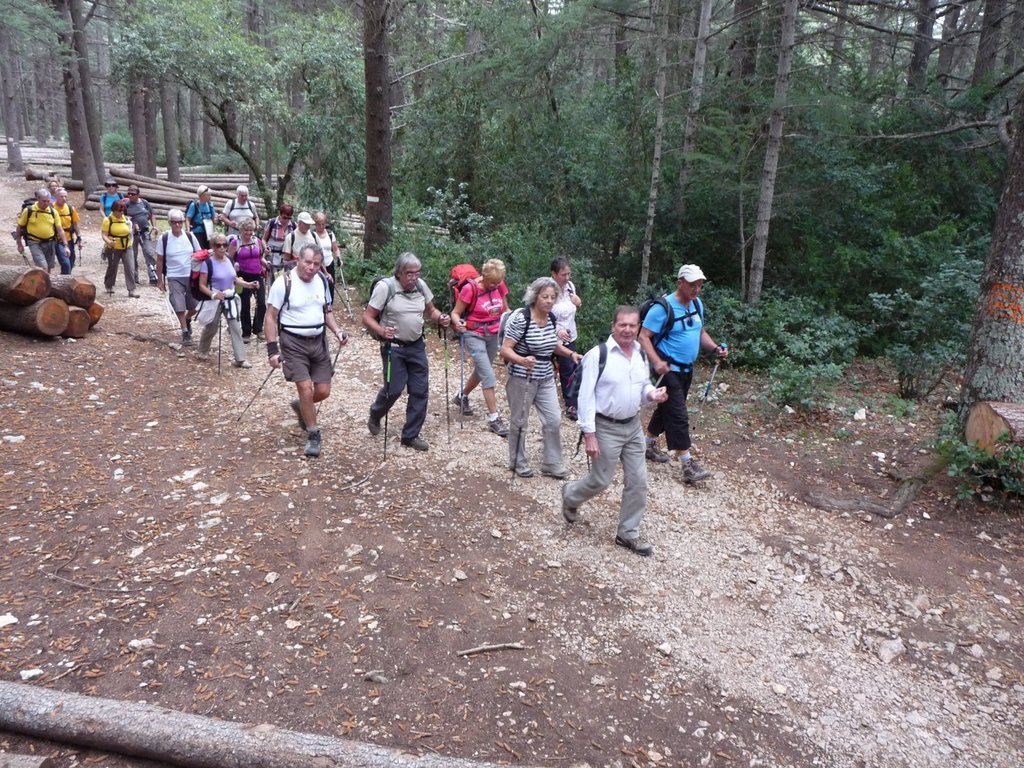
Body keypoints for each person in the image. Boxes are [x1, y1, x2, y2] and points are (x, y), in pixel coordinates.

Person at [561, 306, 668, 557]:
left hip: (632, 426)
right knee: (600, 480)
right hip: (605, 426)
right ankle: (570, 495)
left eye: (633, 325)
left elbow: (642, 386)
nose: (628, 330)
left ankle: (627, 533)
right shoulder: (598, 355)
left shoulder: (640, 353)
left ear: (638, 327)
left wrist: (652, 394)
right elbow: (585, 397)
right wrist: (589, 434)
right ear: (613, 326)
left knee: (638, 482)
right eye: (623, 325)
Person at [638, 264, 728, 483]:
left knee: (666, 408)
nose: (696, 289)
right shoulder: (663, 308)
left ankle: (647, 445)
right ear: (680, 283)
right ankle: (688, 465)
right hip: (667, 369)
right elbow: (643, 336)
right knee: (678, 414)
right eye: (692, 284)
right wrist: (657, 362)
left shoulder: (697, 304)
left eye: (699, 284)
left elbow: (700, 332)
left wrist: (715, 348)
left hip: (686, 369)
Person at [264, 244, 349, 458]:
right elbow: (270, 317)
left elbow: (327, 311)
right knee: (305, 388)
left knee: (323, 391)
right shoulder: (283, 283)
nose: (311, 268)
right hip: (293, 342)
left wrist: (338, 331)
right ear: (298, 260)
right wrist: (272, 350)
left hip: (318, 341)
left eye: (317, 264)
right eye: (308, 262)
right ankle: (313, 434)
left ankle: (302, 406)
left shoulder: (321, 281)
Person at [362, 252, 451, 452]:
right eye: (409, 273)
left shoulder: (421, 286)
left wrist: (441, 318)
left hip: (416, 345)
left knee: (420, 390)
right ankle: (376, 413)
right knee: (393, 389)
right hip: (393, 347)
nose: (413, 277)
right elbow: (367, 317)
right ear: (399, 273)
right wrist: (381, 331)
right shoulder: (386, 288)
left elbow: (431, 310)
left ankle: (410, 435)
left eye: (417, 273)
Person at [499, 276, 582, 478]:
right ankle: (517, 461)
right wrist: (521, 360)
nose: (549, 301)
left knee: (553, 419)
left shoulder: (551, 318)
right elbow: (505, 349)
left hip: (545, 377)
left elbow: (552, 344)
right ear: (535, 297)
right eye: (545, 297)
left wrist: (570, 354)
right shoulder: (521, 319)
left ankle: (551, 463)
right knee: (520, 420)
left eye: (553, 297)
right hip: (521, 377)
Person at [450, 258, 510, 436]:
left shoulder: (500, 286)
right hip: (473, 334)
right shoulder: (471, 289)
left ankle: (461, 396)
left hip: (493, 333)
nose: (496, 286)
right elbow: (455, 312)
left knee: (482, 370)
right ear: (484, 277)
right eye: (492, 282)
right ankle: (494, 418)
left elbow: (505, 309)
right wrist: (457, 323)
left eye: (498, 282)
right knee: (488, 376)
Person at [194, 234, 259, 368]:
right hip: (215, 300)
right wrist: (213, 295)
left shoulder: (229, 259)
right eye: (219, 245)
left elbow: (234, 279)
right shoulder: (207, 263)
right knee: (211, 327)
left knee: (235, 327)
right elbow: (202, 285)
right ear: (212, 246)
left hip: (230, 298)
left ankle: (240, 359)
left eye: (225, 245)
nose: (222, 248)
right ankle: (202, 350)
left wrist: (248, 284)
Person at [156, 209, 200, 346]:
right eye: (174, 222)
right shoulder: (163, 239)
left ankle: (187, 319)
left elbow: (199, 254)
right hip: (174, 276)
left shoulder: (190, 236)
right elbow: (159, 260)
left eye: (179, 222)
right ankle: (185, 331)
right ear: (169, 223)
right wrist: (159, 280)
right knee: (178, 305)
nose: (177, 225)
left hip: (191, 275)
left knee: (195, 307)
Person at [551, 256, 583, 420]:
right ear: (554, 274)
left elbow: (574, 307)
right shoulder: (547, 289)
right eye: (564, 275)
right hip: (549, 335)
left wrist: (578, 303)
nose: (567, 278)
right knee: (541, 366)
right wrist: (557, 330)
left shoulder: (570, 287)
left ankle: (571, 405)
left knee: (569, 369)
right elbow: (541, 314)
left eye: (569, 274)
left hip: (570, 335)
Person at [227, 217, 269, 343]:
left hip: (257, 275)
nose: (248, 233)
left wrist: (265, 263)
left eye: (250, 230)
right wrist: (234, 266)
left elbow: (259, 257)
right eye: (246, 230)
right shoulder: (235, 243)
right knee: (245, 304)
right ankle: (246, 332)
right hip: (242, 276)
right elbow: (229, 259)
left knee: (261, 303)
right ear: (241, 230)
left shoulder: (257, 241)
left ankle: (258, 328)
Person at [15, 188, 66, 274]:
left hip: (50, 242)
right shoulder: (29, 210)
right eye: (44, 201)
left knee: (49, 268)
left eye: (48, 201)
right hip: (34, 242)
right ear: (38, 199)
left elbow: (60, 229)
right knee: (43, 266)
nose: (46, 203)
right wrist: (19, 244)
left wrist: (65, 245)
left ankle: (45, 285)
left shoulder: (53, 212)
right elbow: (19, 228)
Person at [101, 199, 137, 297]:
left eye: (122, 210)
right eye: (119, 210)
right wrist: (109, 242)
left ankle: (131, 289)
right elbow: (104, 235)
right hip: (113, 248)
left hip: (127, 247)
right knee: (113, 267)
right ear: (114, 210)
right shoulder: (108, 220)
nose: (121, 212)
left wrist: (134, 230)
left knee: (130, 267)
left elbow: (130, 233)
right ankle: (109, 285)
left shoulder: (126, 220)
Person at [125, 185, 158, 285]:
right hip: (132, 234)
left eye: (133, 194)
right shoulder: (126, 205)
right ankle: (134, 278)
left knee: (149, 253)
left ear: (138, 194)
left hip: (144, 232)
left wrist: (154, 226)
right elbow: (123, 218)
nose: (130, 195)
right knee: (132, 256)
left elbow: (152, 215)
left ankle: (153, 276)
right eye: (129, 193)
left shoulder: (144, 203)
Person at [262, 203, 295, 281]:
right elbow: (263, 239)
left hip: (285, 257)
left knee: (283, 279)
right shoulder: (272, 223)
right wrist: (265, 248)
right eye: (284, 217)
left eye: (289, 218)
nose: (286, 220)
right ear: (280, 214)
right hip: (271, 254)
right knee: (271, 278)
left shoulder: (293, 225)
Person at [312, 212, 342, 296]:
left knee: (331, 285)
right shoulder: (312, 235)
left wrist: (339, 258)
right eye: (319, 224)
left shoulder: (330, 234)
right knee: (318, 286)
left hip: (329, 263)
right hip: (317, 265)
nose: (321, 226)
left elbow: (335, 249)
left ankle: (330, 306)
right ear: (315, 224)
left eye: (323, 224)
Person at [52, 187, 81, 273]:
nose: (64, 199)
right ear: (56, 196)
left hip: (69, 240)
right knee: (65, 263)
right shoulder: (51, 208)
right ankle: (65, 282)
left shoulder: (70, 208)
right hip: (57, 240)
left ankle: (64, 280)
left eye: (65, 196)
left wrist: (79, 238)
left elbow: (75, 224)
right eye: (61, 196)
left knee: (71, 261)